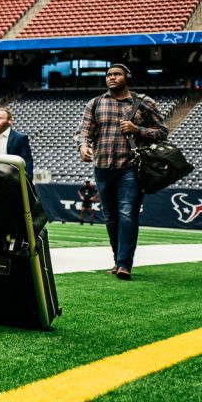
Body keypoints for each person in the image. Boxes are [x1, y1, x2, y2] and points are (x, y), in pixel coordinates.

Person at [78, 64, 168, 280]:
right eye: (109, 75)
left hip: (131, 168)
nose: (111, 78)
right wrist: (83, 145)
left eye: (117, 74)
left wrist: (138, 130)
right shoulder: (96, 103)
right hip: (102, 168)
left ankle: (124, 264)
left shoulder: (145, 103)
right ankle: (118, 260)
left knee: (127, 215)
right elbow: (85, 130)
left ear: (127, 77)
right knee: (110, 218)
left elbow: (162, 132)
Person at [0, 107, 35, 180]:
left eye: (0, 118)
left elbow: (27, 160)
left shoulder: (20, 138)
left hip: (10, 179)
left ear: (10, 121)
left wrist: (28, 179)